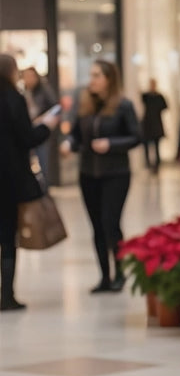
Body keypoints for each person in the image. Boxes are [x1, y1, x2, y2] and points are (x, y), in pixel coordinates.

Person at [61, 60, 141, 293]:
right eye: (91, 74)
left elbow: (136, 137)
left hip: (115, 173)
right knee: (96, 225)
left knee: (110, 222)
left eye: (97, 75)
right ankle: (104, 276)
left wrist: (111, 144)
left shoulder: (123, 106)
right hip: (88, 173)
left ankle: (120, 273)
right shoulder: (85, 105)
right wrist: (69, 144)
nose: (92, 79)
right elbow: (76, 136)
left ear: (109, 79)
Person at [0, 55, 60, 311]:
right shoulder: (14, 99)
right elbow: (27, 138)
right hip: (10, 179)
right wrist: (47, 127)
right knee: (7, 235)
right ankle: (7, 295)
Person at [20, 66, 57, 180]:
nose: (28, 79)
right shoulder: (21, 92)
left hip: (40, 129)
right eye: (26, 76)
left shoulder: (43, 90)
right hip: (26, 130)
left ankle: (45, 191)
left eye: (31, 76)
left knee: (43, 161)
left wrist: (42, 119)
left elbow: (55, 107)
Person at [140, 78, 168, 174]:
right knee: (146, 146)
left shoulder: (159, 96)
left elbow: (165, 107)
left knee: (156, 147)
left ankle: (157, 166)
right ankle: (148, 164)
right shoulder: (146, 96)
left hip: (156, 125)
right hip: (147, 124)